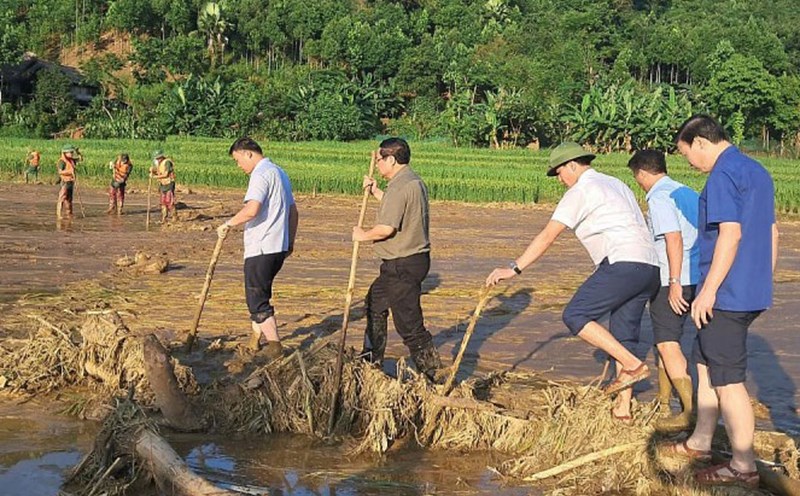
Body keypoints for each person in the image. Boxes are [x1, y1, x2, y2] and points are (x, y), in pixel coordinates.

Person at [486, 142, 660, 421]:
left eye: (558, 173)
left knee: (576, 314)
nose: (559, 180)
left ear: (573, 165)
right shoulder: (616, 183)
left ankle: (633, 365)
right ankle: (623, 410)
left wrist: (514, 268)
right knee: (624, 334)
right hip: (649, 266)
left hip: (621, 261)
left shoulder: (580, 190)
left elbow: (548, 235)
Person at [664, 115, 778, 489]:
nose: (689, 164)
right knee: (703, 361)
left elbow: (730, 233)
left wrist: (709, 290)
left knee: (728, 379)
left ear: (700, 142)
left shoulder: (722, 175)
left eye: (687, 155)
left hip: (727, 294)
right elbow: (772, 231)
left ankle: (742, 465)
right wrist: (762, 278)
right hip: (748, 289)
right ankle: (700, 440)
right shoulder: (757, 171)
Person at [354, 138, 443, 382]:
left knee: (409, 324)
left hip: (402, 263)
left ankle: (434, 375)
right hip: (406, 263)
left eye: (380, 160)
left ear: (391, 159)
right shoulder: (412, 181)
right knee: (375, 302)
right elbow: (397, 208)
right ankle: (370, 361)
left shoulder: (399, 185)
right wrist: (375, 192)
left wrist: (362, 236)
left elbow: (386, 228)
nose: (378, 164)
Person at [628, 149, 699, 430]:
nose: (639, 183)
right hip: (699, 276)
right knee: (664, 339)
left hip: (675, 277)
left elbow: (673, 239)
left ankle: (689, 412)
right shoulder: (688, 192)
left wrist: (673, 283)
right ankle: (663, 400)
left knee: (668, 343)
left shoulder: (659, 197)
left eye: (637, 178)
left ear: (643, 173)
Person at [217, 137, 298, 359]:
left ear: (248, 154)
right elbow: (293, 212)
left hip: (261, 247)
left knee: (257, 301)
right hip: (278, 247)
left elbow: (252, 209)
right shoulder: (280, 173)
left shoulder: (260, 174)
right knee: (260, 293)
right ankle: (254, 341)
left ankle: (275, 347)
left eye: (237, 160)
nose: (238, 166)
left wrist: (228, 224)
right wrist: (289, 242)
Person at [150, 150, 177, 222]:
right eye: (156, 158)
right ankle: (164, 218)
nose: (157, 160)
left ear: (162, 157)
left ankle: (174, 217)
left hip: (169, 183)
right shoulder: (159, 163)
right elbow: (160, 173)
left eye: (158, 158)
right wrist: (153, 172)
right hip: (163, 184)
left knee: (169, 201)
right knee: (163, 202)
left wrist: (154, 177)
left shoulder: (167, 162)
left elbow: (166, 174)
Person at [56, 145, 78, 219]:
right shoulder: (62, 162)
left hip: (71, 182)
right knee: (61, 199)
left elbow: (81, 159)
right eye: (70, 152)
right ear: (65, 153)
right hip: (64, 182)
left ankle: (69, 214)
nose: (72, 154)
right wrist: (69, 172)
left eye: (72, 152)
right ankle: (59, 215)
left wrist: (78, 152)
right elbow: (60, 172)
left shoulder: (71, 160)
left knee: (69, 199)